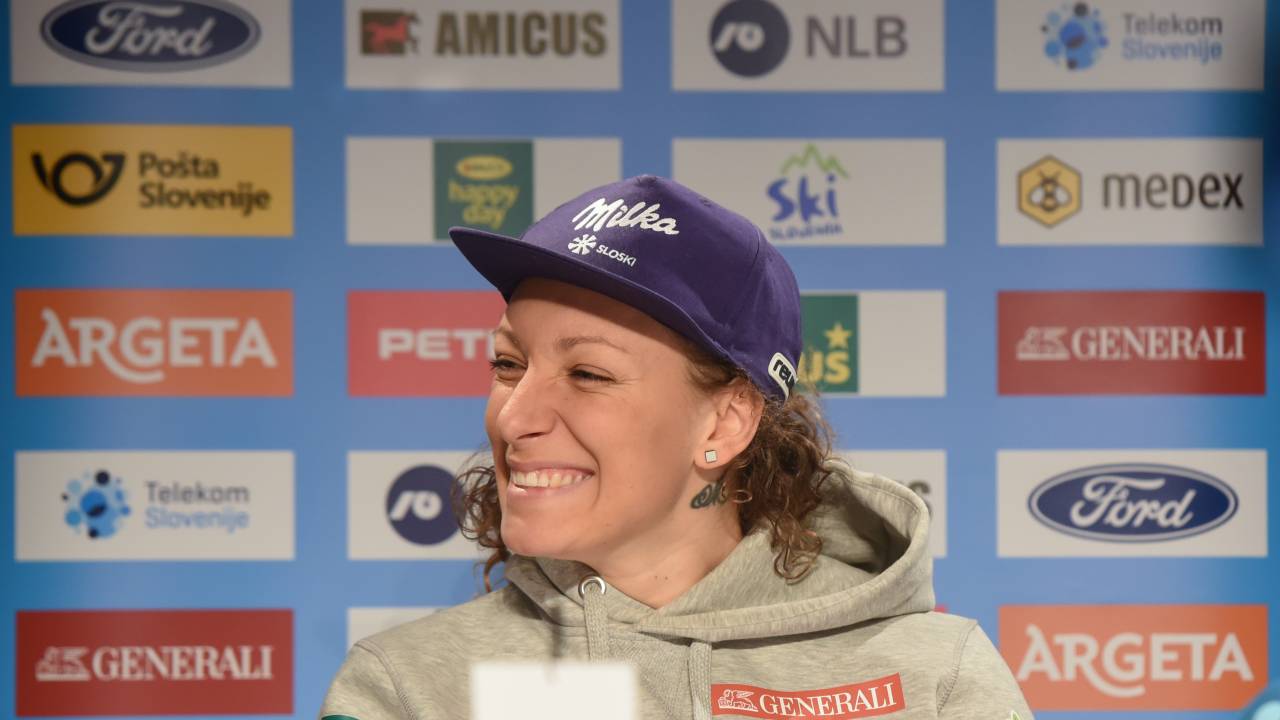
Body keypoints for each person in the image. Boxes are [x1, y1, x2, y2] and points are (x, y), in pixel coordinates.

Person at [320, 175, 1034, 719]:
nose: (513, 417)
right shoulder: (407, 687)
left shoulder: (935, 679)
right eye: (509, 364)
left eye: (588, 374)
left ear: (724, 423)